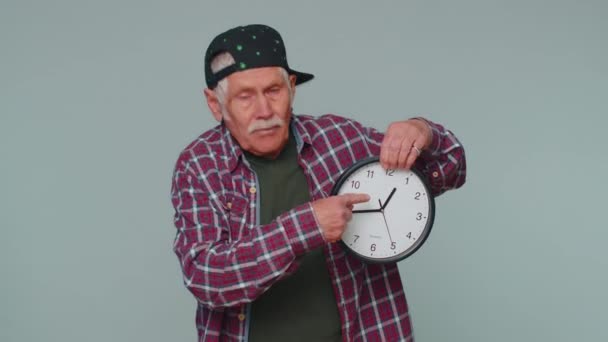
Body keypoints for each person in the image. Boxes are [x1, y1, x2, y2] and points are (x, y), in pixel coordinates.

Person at [171, 24, 466, 342]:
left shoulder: (342, 138)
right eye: (245, 97)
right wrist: (307, 227)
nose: (265, 111)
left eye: (273, 90)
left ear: (292, 87)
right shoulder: (199, 166)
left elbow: (449, 169)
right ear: (215, 104)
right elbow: (207, 278)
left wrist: (422, 131)